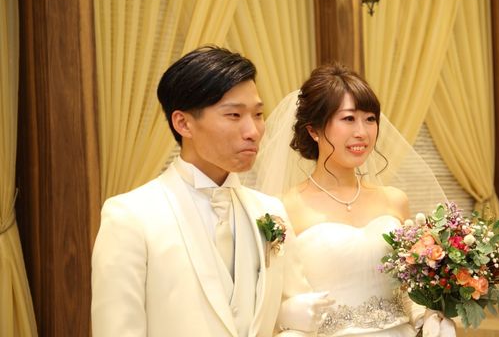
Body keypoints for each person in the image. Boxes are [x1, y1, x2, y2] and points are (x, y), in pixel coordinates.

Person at [91, 46, 332, 337]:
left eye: (258, 114)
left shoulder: (270, 211)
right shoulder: (131, 216)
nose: (253, 131)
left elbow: (301, 313)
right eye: (234, 115)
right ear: (183, 123)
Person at [249, 64, 455, 336]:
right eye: (348, 119)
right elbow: (270, 300)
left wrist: (428, 315)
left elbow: (409, 288)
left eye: (370, 119)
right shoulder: (282, 209)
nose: (362, 132)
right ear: (313, 130)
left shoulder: (395, 200)